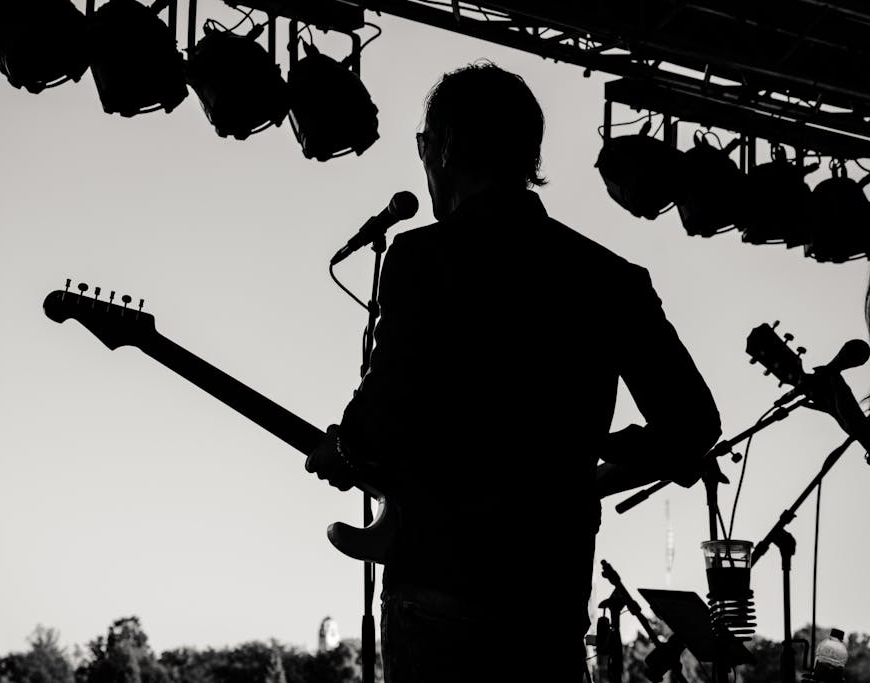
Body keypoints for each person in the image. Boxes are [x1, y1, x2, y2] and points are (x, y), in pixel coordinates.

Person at [305, 62, 722, 682]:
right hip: (547, 608)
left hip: (441, 595)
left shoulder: (423, 256)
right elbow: (692, 425)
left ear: (444, 148)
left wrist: (347, 448)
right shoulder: (612, 280)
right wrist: (583, 464)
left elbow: (384, 415)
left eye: (424, 145)